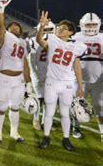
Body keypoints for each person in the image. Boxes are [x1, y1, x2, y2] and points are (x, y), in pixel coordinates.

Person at [36, 11, 86, 151]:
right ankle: (46, 137)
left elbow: (77, 67)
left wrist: (80, 86)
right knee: (49, 112)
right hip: (52, 81)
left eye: (63, 28)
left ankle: (66, 139)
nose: (59, 29)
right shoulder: (52, 40)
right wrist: (42, 26)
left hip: (67, 83)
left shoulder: (77, 46)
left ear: (70, 33)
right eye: (59, 27)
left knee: (65, 112)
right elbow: (40, 40)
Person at [0, 0, 32, 143]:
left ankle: (14, 132)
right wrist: (0, 10)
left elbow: (25, 64)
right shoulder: (4, 37)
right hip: (4, 77)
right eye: (12, 27)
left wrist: (28, 83)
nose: (15, 27)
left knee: (15, 107)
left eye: (17, 26)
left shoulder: (23, 42)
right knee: (2, 106)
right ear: (7, 30)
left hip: (19, 79)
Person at [72, 12, 103, 141]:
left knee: (100, 106)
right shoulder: (75, 37)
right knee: (77, 106)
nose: (90, 27)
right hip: (79, 79)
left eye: (93, 24)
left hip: (99, 79)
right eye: (88, 24)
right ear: (82, 25)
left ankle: (102, 131)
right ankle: (76, 127)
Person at [28, 22, 55, 130]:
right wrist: (35, 74)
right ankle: (36, 120)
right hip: (38, 72)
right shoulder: (34, 41)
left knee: (49, 100)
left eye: (50, 29)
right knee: (40, 99)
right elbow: (31, 60)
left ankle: (45, 121)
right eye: (45, 29)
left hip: (51, 74)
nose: (48, 32)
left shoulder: (57, 41)